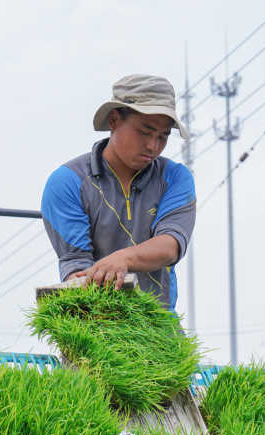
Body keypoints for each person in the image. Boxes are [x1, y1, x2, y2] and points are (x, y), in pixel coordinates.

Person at [40, 74, 196, 311]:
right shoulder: (68, 182)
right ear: (114, 120)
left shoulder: (174, 178)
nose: (153, 146)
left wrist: (123, 258)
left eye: (162, 136)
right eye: (145, 132)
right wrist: (86, 282)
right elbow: (76, 263)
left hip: (161, 329)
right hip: (95, 326)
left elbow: (170, 245)